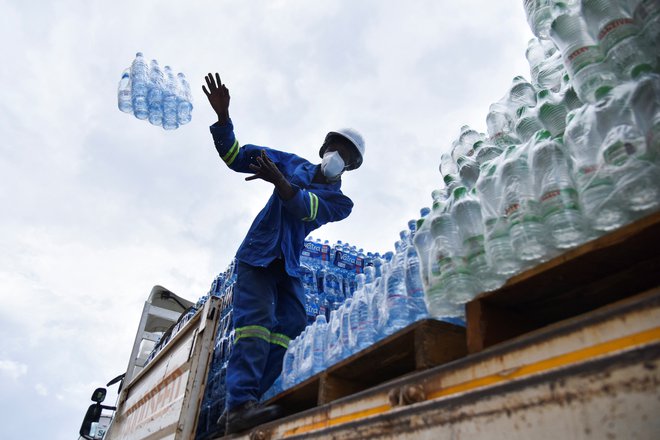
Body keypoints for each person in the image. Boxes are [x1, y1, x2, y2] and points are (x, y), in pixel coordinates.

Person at [202, 73, 365, 434]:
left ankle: (248, 402)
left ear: (351, 166)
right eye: (334, 148)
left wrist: (280, 183)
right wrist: (224, 119)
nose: (337, 156)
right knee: (255, 323)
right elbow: (235, 157)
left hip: (286, 262)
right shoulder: (290, 163)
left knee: (291, 323)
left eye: (346, 155)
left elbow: (307, 209)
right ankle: (239, 403)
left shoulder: (341, 201)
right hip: (259, 255)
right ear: (323, 149)